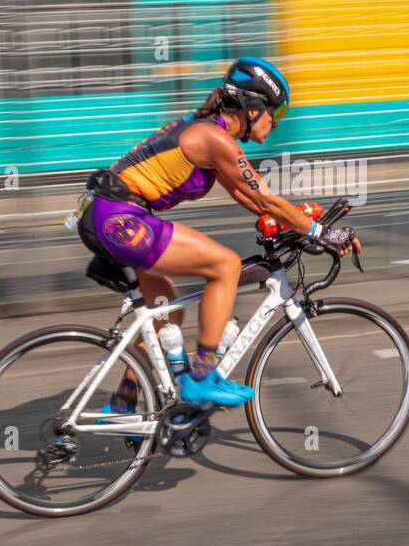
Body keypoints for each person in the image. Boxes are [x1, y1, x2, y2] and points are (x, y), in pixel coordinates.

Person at [78, 56, 361, 410]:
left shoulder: (210, 134)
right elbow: (266, 198)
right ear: (252, 107)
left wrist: (302, 224)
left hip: (106, 213)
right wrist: (322, 233)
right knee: (225, 266)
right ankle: (202, 376)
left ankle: (121, 406)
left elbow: (253, 200)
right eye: (276, 113)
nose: (275, 124)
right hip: (119, 217)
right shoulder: (215, 139)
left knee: (169, 315)